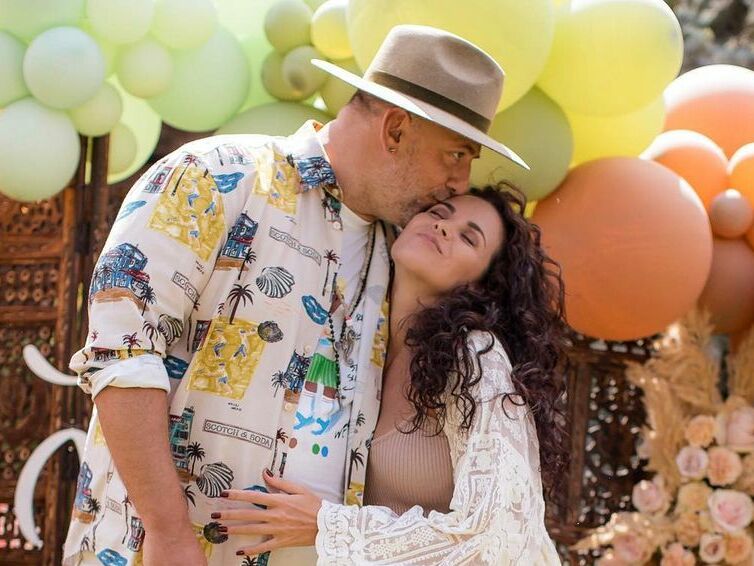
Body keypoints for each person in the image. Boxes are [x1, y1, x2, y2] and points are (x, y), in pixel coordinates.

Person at [62, 24, 528, 566]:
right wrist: (168, 534)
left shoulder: (400, 252)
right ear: (396, 130)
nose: (460, 181)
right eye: (456, 154)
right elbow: (122, 356)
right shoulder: (217, 175)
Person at [211, 185, 567, 565]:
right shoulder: (359, 337)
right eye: (438, 213)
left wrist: (327, 526)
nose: (443, 227)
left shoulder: (475, 358)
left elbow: (497, 535)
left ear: (482, 284)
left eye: (469, 238)